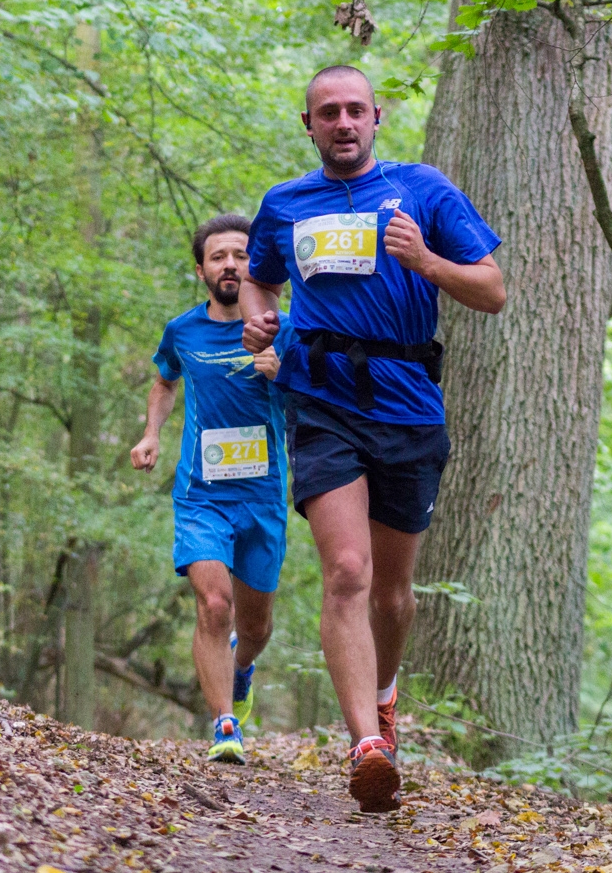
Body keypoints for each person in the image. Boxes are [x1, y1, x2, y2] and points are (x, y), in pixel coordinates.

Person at [239, 65, 505, 812]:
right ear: (309, 125)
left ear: (378, 116)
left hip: (408, 406)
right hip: (320, 399)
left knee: (392, 593)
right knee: (348, 570)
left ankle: (385, 695)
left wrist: (427, 261)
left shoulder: (424, 191)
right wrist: (262, 318)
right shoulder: (285, 203)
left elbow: (493, 289)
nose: (344, 122)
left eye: (356, 109)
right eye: (329, 113)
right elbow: (262, 280)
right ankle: (367, 746)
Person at [132, 214, 291, 764]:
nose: (231, 265)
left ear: (257, 267)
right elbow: (163, 377)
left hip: (265, 495)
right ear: (201, 269)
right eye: (219, 256)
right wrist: (151, 434)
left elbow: (317, 402)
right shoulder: (182, 331)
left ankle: (242, 669)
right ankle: (225, 725)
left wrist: (281, 374)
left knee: (256, 624)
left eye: (242, 255)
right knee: (214, 602)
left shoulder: (282, 329)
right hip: (202, 493)